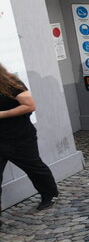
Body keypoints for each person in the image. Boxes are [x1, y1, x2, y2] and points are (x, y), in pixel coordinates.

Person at [0, 63, 59, 227]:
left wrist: (1, 114)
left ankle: (49, 194)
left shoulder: (11, 83)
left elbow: (30, 106)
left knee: (34, 167)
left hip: (19, 137)